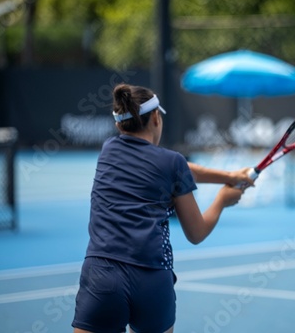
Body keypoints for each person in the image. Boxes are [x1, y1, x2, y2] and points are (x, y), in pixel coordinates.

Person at [72, 83, 254, 333]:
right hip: (152, 280)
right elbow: (196, 233)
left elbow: (180, 168)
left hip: (102, 277)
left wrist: (228, 175)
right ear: (156, 117)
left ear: (118, 124)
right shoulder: (173, 163)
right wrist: (223, 198)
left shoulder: (108, 151)